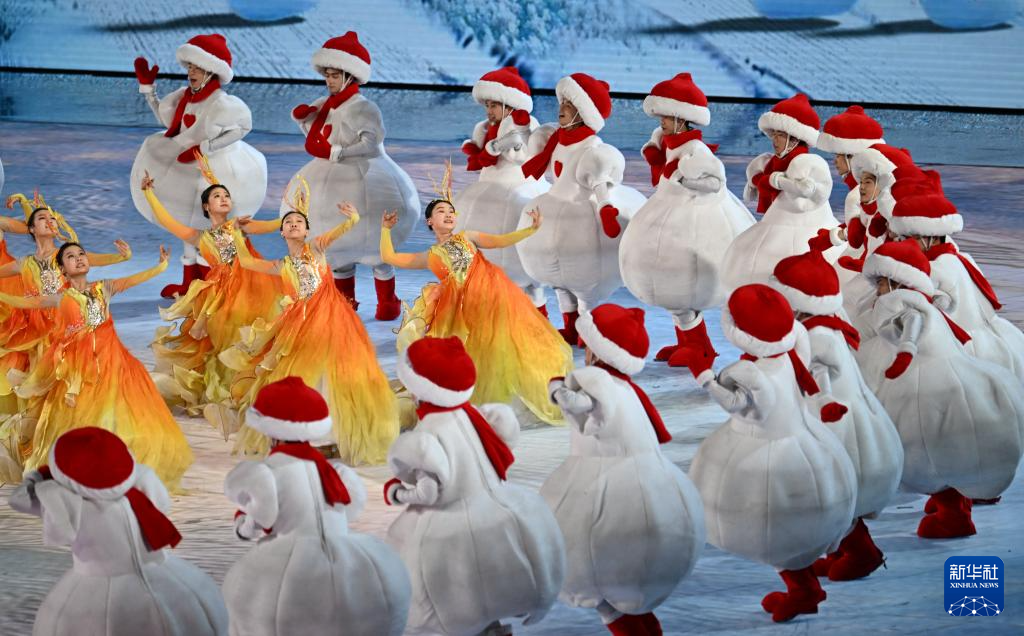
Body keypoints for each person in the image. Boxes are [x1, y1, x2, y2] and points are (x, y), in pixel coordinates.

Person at [687, 284, 857, 622]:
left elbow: (737, 405)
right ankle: (805, 579)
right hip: (805, 442)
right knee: (796, 519)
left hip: (763, 455)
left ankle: (803, 589)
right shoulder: (791, 354)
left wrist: (705, 377)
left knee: (769, 525)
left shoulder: (751, 374)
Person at [384, 336, 565, 636]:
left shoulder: (427, 434)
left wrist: (398, 492)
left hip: (450, 532)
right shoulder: (475, 417)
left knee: (456, 597)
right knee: (489, 592)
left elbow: (430, 492)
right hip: (495, 516)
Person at [542, 304, 705, 635]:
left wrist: (556, 389)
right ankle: (644, 624)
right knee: (628, 574)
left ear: (596, 349)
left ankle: (629, 626)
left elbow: (579, 405)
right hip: (649, 483)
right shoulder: (625, 388)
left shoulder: (596, 380)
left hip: (606, 486)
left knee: (591, 566)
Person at [220, 179, 398, 465]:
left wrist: (352, 218)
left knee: (330, 373)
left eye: (299, 222)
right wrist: (237, 234)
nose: (293, 224)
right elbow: (248, 263)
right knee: (304, 375)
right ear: (281, 232)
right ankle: (307, 434)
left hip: (330, 317)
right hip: (300, 322)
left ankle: (330, 437)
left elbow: (338, 232)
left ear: (307, 231)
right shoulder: (282, 265)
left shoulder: (315, 248)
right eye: (288, 222)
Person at [381, 165, 573, 425]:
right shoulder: (429, 256)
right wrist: (385, 230)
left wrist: (531, 229)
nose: (448, 214)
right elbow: (389, 257)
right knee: (469, 348)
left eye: (451, 211)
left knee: (502, 343)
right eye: (441, 211)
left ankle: (511, 391)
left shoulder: (467, 237)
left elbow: (502, 240)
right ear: (430, 221)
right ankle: (463, 392)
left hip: (491, 296)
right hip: (458, 308)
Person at [859, 239, 1024, 538]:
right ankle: (952, 501)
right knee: (936, 443)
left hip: (919, 377)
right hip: (924, 373)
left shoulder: (904, 303)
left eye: (881, 283)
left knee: (924, 441)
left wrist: (905, 353)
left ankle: (953, 508)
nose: (878, 289)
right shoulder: (918, 300)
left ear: (897, 281)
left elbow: (911, 327)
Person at [222, 377, 410, 636]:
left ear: (269, 430)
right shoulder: (333, 471)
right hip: (342, 557)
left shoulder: (268, 472)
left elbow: (260, 520)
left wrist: (242, 525)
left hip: (291, 564)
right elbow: (350, 510)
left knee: (251, 605)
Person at [0, 243, 193, 488]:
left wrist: (162, 265)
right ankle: (81, 469)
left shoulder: (105, 288)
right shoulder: (61, 297)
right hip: (77, 369)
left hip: (112, 361)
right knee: (78, 419)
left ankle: (115, 468)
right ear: (62, 269)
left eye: (81, 254)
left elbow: (136, 279)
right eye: (71, 256)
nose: (79, 258)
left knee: (117, 414)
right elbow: (26, 302)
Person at [9, 427, 227, 636]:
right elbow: (162, 505)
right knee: (191, 617)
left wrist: (38, 477)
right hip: (162, 571)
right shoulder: (142, 479)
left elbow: (18, 499)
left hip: (97, 591)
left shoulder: (65, 501)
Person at [771, 250, 903, 581]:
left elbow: (818, 378)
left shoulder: (816, 336)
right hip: (840, 418)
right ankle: (844, 550)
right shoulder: (826, 322)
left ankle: (862, 553)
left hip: (833, 423)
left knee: (832, 490)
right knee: (833, 493)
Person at [620, 73, 754, 369]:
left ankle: (699, 347)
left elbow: (715, 182)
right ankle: (689, 343)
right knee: (672, 284)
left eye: (667, 116)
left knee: (684, 280)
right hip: (667, 210)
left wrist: (684, 178)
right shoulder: (668, 143)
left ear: (682, 118)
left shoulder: (695, 150)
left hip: (695, 220)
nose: (662, 122)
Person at [285, 32, 419, 319]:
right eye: (327, 75)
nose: (329, 81)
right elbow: (317, 136)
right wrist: (305, 121)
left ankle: (387, 302)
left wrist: (339, 152)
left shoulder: (364, 108)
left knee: (376, 246)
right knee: (337, 248)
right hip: (329, 174)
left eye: (335, 76)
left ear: (349, 76)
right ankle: (345, 304)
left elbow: (371, 141)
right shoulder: (324, 104)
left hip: (366, 173)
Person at [130, 33, 268, 298]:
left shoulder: (221, 103)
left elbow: (242, 128)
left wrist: (206, 147)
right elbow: (167, 120)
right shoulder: (185, 97)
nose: (190, 73)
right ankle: (189, 284)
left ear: (211, 71)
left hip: (214, 167)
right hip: (182, 162)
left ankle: (209, 288)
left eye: (197, 68)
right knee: (188, 227)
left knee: (208, 230)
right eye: (189, 67)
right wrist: (149, 90)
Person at [141, 166, 284, 416]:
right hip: (222, 292)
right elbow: (167, 221)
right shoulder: (199, 237)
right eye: (217, 196)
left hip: (255, 288)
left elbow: (275, 225)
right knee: (226, 344)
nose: (224, 198)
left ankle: (256, 391)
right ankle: (231, 392)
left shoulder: (240, 226)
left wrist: (297, 213)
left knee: (253, 339)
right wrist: (149, 193)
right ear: (206, 206)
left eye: (226, 195)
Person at [517, 72, 647, 344]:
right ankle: (570, 326)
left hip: (580, 214)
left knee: (583, 276)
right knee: (558, 277)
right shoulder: (555, 139)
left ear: (584, 113)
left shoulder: (592, 149)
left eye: (570, 105)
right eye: (562, 103)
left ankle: (588, 329)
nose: (562, 109)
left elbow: (599, 183)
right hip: (553, 206)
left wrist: (606, 209)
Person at [0, 193, 129, 420]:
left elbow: (93, 259)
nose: (50, 221)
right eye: (43, 218)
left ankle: (74, 416)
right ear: (32, 229)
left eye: (52, 218)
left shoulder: (64, 255)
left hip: (63, 322)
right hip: (35, 326)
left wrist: (121, 257)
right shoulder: (24, 262)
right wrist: (24, 201)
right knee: (37, 374)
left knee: (67, 373)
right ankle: (41, 419)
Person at [889, 191, 1024, 383]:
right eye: (904, 238)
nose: (906, 244)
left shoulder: (934, 268)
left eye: (914, 238)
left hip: (966, 346)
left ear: (933, 238)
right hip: (992, 337)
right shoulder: (961, 258)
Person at [720, 94, 841, 291]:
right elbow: (759, 184)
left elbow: (808, 191)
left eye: (781, 135)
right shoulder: (770, 163)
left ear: (796, 138)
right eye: (774, 134)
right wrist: (766, 180)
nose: (775, 140)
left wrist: (778, 181)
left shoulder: (807, 165)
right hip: (776, 218)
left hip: (804, 221)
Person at [454, 66, 550, 313]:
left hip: (517, 187)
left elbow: (526, 155)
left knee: (519, 250)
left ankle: (537, 314)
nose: (489, 110)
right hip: (490, 186)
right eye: (487, 105)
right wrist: (479, 149)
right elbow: (481, 155)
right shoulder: (485, 127)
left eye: (494, 105)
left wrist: (502, 146)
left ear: (510, 104)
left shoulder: (525, 124)